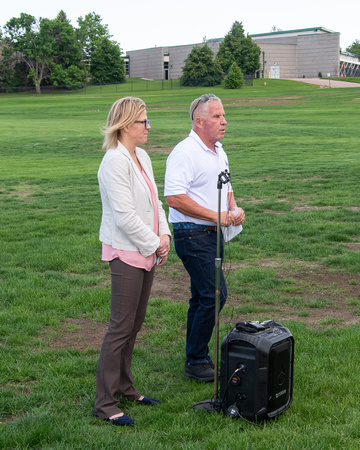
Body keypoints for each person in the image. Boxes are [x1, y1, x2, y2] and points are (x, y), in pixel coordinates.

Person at [93, 97, 171, 426]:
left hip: (147, 251)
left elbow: (154, 202)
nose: (148, 126)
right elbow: (124, 216)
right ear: (126, 126)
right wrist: (154, 243)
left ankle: (126, 386)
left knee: (134, 324)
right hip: (127, 252)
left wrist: (164, 236)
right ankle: (105, 402)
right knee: (120, 327)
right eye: (143, 121)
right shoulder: (114, 161)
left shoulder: (142, 157)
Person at [164, 94, 245, 382]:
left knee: (202, 296)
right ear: (199, 121)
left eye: (223, 116)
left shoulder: (218, 150)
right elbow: (173, 197)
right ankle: (197, 359)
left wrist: (234, 209)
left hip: (212, 233)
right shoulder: (185, 152)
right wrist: (215, 215)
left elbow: (227, 184)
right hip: (192, 234)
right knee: (214, 294)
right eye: (216, 117)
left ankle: (195, 357)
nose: (224, 121)